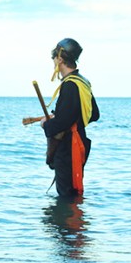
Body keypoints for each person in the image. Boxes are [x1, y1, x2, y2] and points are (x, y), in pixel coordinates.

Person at [41, 38, 100, 199]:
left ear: (60, 59)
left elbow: (63, 122)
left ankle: (69, 217)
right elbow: (94, 114)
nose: (54, 62)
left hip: (70, 146)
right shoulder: (83, 82)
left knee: (68, 193)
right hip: (80, 140)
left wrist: (46, 124)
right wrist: (73, 119)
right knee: (73, 189)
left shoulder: (70, 84)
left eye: (54, 58)